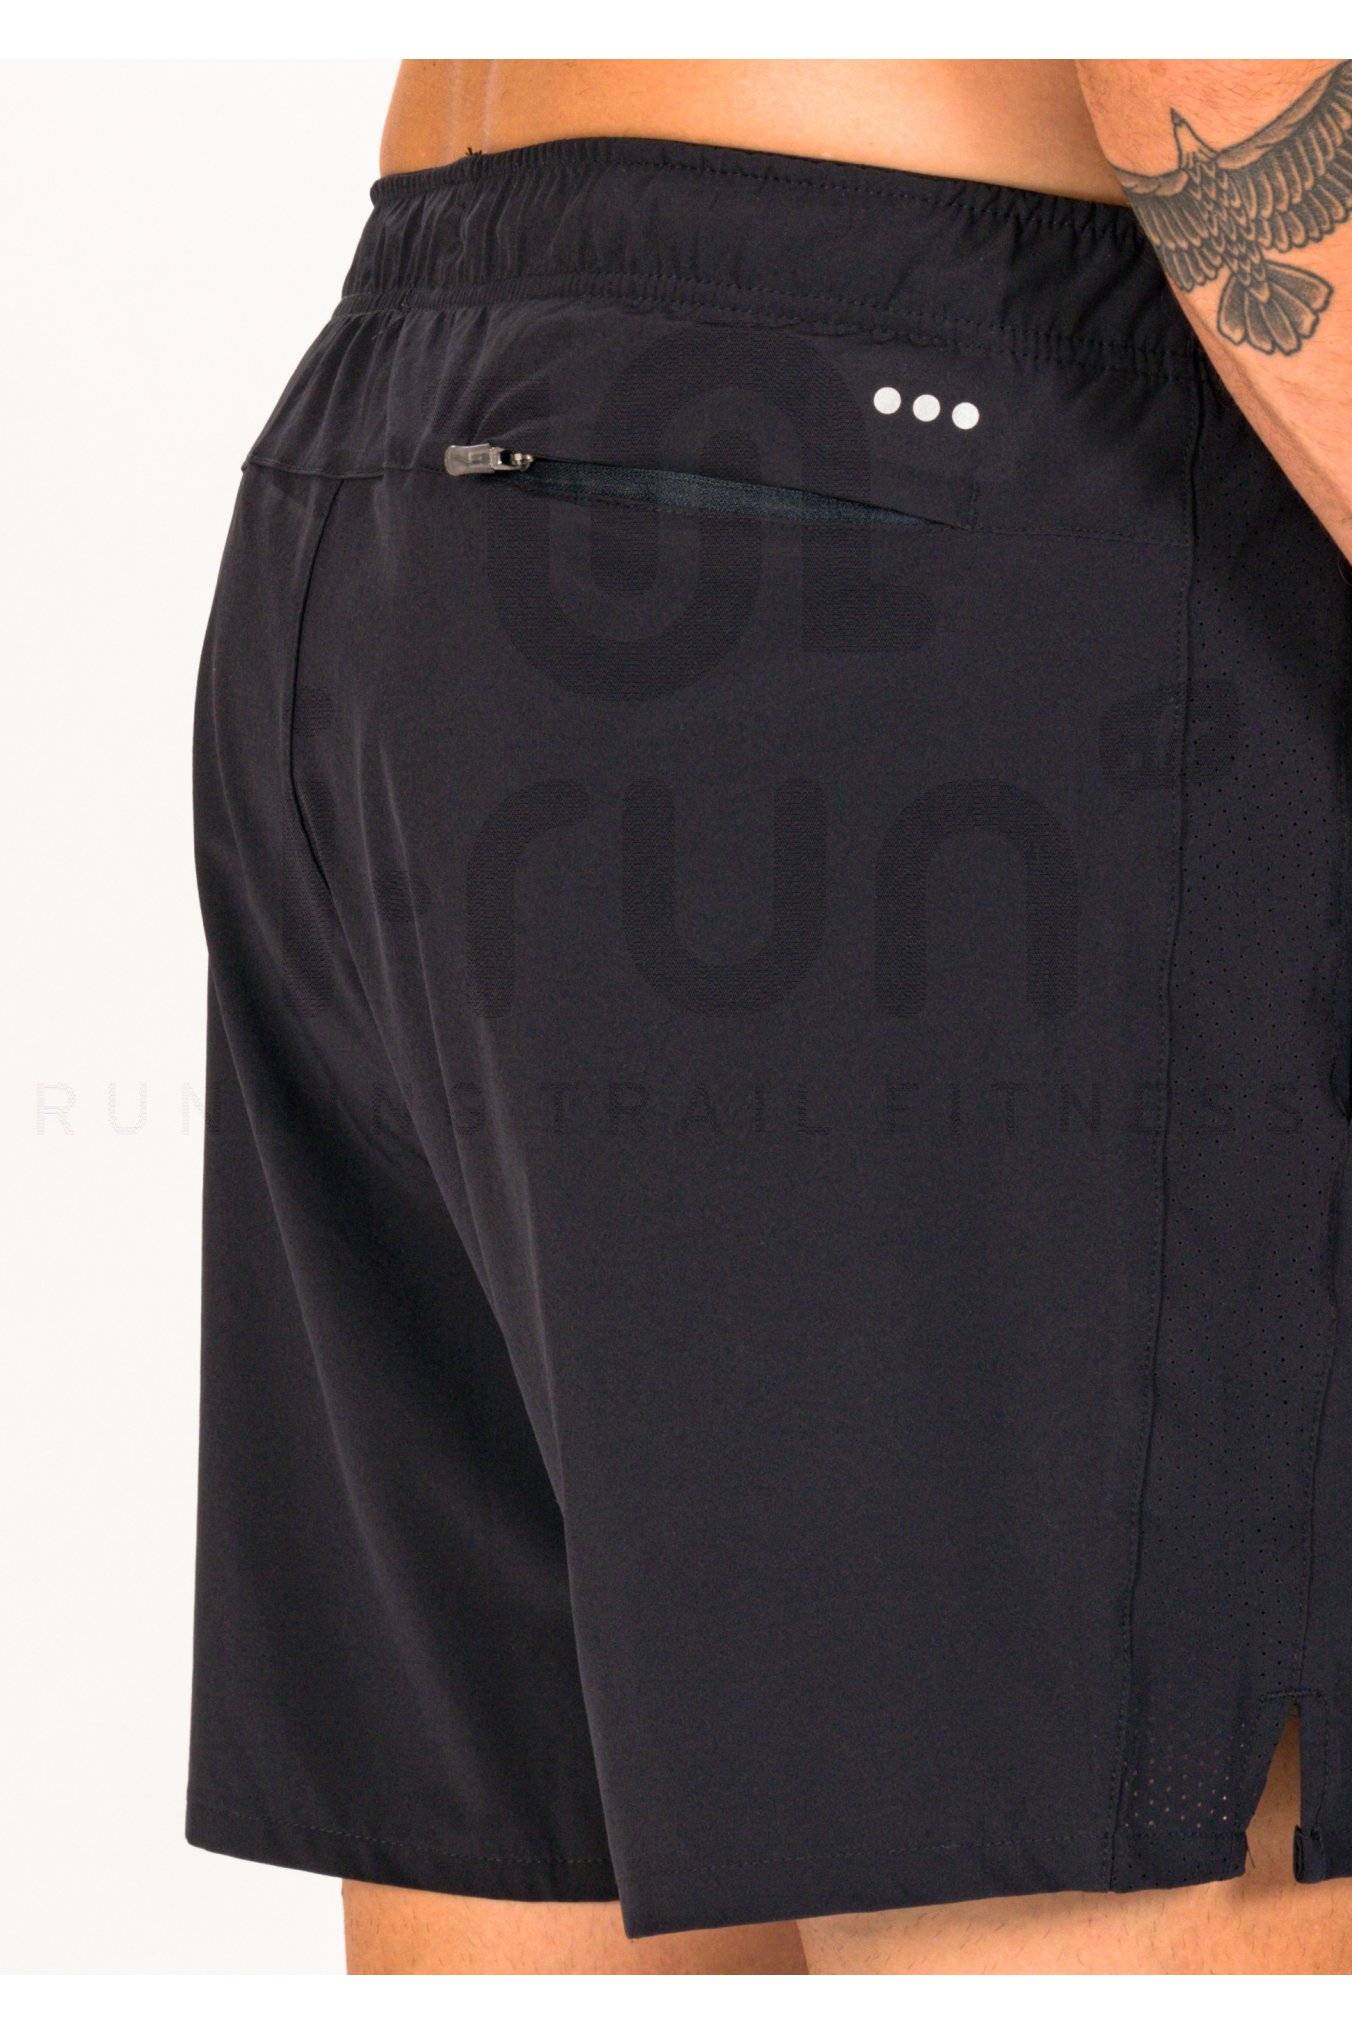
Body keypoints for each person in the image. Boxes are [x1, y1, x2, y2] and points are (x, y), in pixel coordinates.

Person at [188, 60, 1352, 1973]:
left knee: (555, 1894)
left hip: (442, 455)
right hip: (925, 495)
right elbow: (1210, 56)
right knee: (1146, 1866)